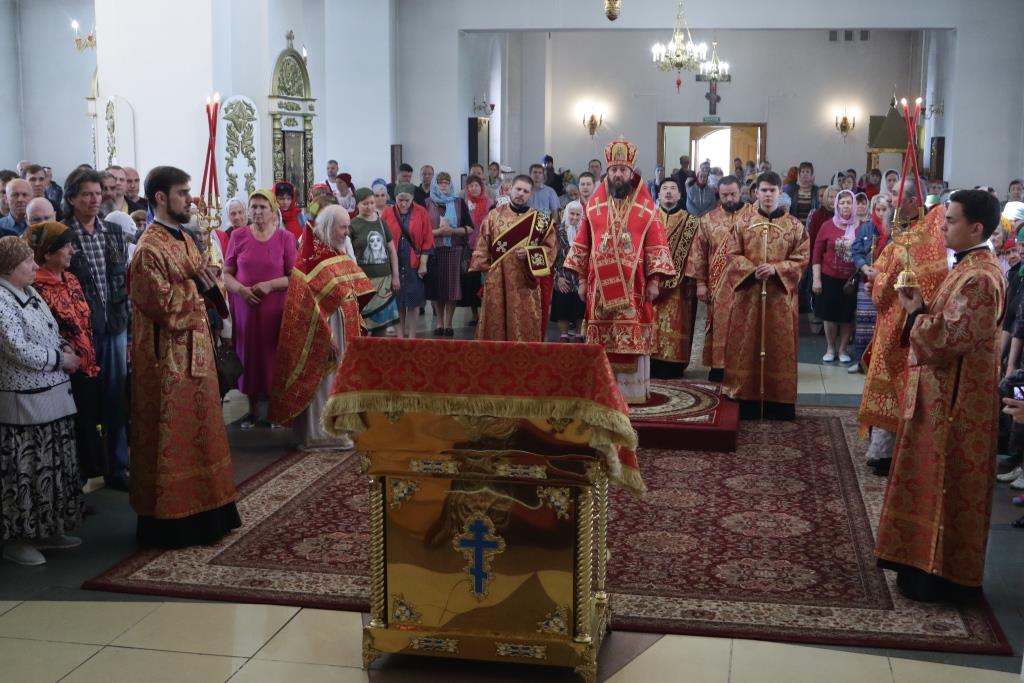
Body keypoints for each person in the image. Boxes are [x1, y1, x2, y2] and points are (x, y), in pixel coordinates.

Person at [874, 189, 1005, 602]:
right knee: (929, 480)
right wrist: (921, 305)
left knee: (947, 484)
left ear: (976, 228)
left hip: (957, 407)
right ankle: (919, 566)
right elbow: (949, 319)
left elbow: (950, 337)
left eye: (950, 220)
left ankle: (943, 577)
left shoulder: (981, 277)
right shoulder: (966, 267)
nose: (942, 227)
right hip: (941, 398)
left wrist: (916, 313)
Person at [127, 166, 240, 548]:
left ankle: (210, 511)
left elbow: (208, 280)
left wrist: (207, 281)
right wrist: (197, 286)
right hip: (168, 363)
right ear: (161, 197)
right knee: (173, 437)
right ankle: (174, 520)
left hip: (197, 351)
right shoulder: (149, 248)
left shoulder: (186, 238)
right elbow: (161, 303)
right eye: (182, 193)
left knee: (203, 433)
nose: (190, 200)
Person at [564, 138, 675, 403]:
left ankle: (631, 393)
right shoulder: (593, 207)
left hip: (634, 287)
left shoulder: (647, 209)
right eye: (613, 169)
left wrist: (654, 281)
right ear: (607, 172)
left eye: (622, 170)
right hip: (598, 288)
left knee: (631, 334)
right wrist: (582, 281)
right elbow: (582, 245)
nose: (617, 174)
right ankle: (602, 390)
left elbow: (656, 246)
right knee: (601, 338)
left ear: (631, 172)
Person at [0, 236, 83, 566]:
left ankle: (47, 529)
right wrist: (61, 359)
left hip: (53, 397)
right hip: (23, 407)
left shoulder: (29, 292)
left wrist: (65, 347)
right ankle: (16, 540)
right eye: (27, 261)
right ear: (9, 266)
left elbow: (49, 328)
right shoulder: (1, 299)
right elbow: (17, 348)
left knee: (52, 467)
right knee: (24, 473)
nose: (35, 266)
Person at [858, 177, 948, 475]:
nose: (888, 197)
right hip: (897, 321)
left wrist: (876, 279)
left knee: (897, 388)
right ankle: (885, 451)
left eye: (895, 193)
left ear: (911, 201)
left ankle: (889, 455)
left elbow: (889, 288)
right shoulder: (921, 232)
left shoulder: (914, 240)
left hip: (901, 324)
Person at [269, 205, 373, 450]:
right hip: (323, 332)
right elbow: (306, 306)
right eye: (343, 227)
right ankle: (321, 434)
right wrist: (326, 337)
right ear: (329, 227)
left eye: (348, 227)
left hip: (344, 330)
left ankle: (341, 427)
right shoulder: (312, 257)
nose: (347, 232)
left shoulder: (336, 250)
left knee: (340, 378)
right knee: (324, 380)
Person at [722, 171, 809, 419]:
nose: (768, 195)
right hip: (748, 297)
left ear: (780, 192)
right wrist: (752, 270)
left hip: (779, 299)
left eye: (772, 190)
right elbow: (731, 254)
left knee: (779, 347)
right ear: (756, 193)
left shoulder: (795, 226)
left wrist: (776, 269)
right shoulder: (742, 223)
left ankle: (778, 401)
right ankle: (745, 397)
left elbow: (802, 258)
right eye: (764, 190)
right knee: (746, 344)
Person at [63, 168, 130, 489]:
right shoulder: (63, 234)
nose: (94, 199)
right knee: (84, 401)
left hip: (115, 327)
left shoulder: (113, 232)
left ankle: (117, 468)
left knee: (116, 398)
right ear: (71, 198)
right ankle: (82, 473)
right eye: (87, 194)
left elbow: (123, 282)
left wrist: (128, 332)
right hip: (80, 333)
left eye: (97, 193)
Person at [24, 221, 104, 481]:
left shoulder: (71, 278)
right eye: (65, 246)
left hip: (86, 367)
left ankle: (80, 486)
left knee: (87, 428)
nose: (72, 251)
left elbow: (85, 321)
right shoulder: (35, 287)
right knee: (70, 435)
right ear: (47, 253)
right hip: (61, 373)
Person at [223, 189, 297, 429]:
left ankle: (277, 412)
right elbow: (227, 273)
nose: (257, 211)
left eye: (262, 207)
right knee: (249, 357)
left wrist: (270, 285)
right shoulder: (238, 236)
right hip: (245, 309)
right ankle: (253, 412)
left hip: (275, 310)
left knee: (274, 356)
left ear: (273, 210)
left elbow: (295, 277)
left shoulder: (285, 238)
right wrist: (241, 290)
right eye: (253, 206)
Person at [470, 174, 556, 342]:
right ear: (511, 189)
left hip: (525, 283)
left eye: (525, 191)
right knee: (496, 325)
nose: (521, 193)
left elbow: (550, 250)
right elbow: (482, 246)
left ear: (531, 194)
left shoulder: (541, 221)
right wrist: (487, 273)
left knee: (524, 325)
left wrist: (531, 253)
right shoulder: (494, 216)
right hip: (498, 282)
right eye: (518, 189)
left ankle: (523, 357)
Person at [685, 175, 750, 381]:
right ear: (718, 195)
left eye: (733, 194)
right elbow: (699, 253)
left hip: (748, 284)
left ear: (740, 192)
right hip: (719, 285)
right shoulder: (708, 220)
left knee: (747, 325)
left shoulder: (754, 217)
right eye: (725, 195)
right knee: (720, 326)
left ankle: (745, 367)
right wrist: (700, 283)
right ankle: (719, 367)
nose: (729, 199)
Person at [649, 177, 700, 377]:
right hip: (650, 282)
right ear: (659, 194)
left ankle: (673, 365)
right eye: (664, 188)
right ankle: (649, 359)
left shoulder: (691, 222)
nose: (668, 192)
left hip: (679, 286)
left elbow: (695, 253)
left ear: (680, 194)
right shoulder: (649, 219)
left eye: (672, 188)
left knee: (676, 321)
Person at [812, 189, 859, 364]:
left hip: (852, 279)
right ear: (837, 205)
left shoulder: (862, 226)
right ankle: (831, 348)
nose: (846, 206)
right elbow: (817, 254)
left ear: (854, 205)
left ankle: (843, 349)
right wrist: (816, 279)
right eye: (842, 202)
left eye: (849, 202)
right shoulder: (827, 226)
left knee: (847, 316)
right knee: (829, 315)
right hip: (829, 276)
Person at [424, 173, 474, 336]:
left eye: (446, 182)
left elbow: (470, 228)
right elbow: (422, 230)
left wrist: (452, 231)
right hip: (434, 250)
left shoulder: (459, 202)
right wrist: (438, 232)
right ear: (435, 185)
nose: (444, 185)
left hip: (454, 250)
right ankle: (439, 322)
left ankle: (449, 323)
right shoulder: (427, 203)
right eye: (440, 183)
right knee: (437, 287)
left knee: (452, 287)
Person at [381, 183, 433, 338]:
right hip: (394, 262)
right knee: (397, 300)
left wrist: (423, 263)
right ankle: (400, 335)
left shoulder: (421, 212)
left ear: (413, 199)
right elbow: (383, 237)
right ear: (395, 198)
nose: (403, 203)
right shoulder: (388, 213)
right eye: (400, 200)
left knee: (414, 299)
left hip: (413, 262)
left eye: (407, 200)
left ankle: (412, 335)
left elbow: (427, 239)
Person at [848, 193, 891, 374]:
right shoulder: (866, 227)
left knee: (881, 324)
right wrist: (865, 269)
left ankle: (879, 364)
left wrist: (880, 274)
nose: (881, 213)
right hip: (866, 279)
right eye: (878, 209)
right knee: (863, 324)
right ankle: (860, 361)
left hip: (885, 282)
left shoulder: (894, 229)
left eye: (884, 210)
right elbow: (856, 250)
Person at [350, 187, 401, 335]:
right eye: (365, 203)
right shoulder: (352, 225)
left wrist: (395, 276)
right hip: (363, 281)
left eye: (372, 203)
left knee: (382, 323)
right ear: (357, 204)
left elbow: (392, 251)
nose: (369, 206)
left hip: (384, 280)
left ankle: (378, 348)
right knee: (363, 322)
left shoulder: (381, 223)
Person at [550, 200, 586, 341]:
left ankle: (578, 334)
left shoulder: (585, 232)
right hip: (562, 276)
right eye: (572, 213)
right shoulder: (557, 231)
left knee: (580, 307)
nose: (575, 217)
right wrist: (557, 278)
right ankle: (564, 335)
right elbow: (551, 257)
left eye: (578, 214)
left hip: (580, 277)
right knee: (563, 305)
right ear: (566, 213)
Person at [460, 175, 492, 324]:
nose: (473, 188)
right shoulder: (463, 204)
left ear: (481, 187)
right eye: (470, 186)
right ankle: (474, 315)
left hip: (486, 247)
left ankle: (486, 313)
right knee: (471, 281)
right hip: (469, 247)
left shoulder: (490, 203)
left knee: (485, 281)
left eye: (476, 185)